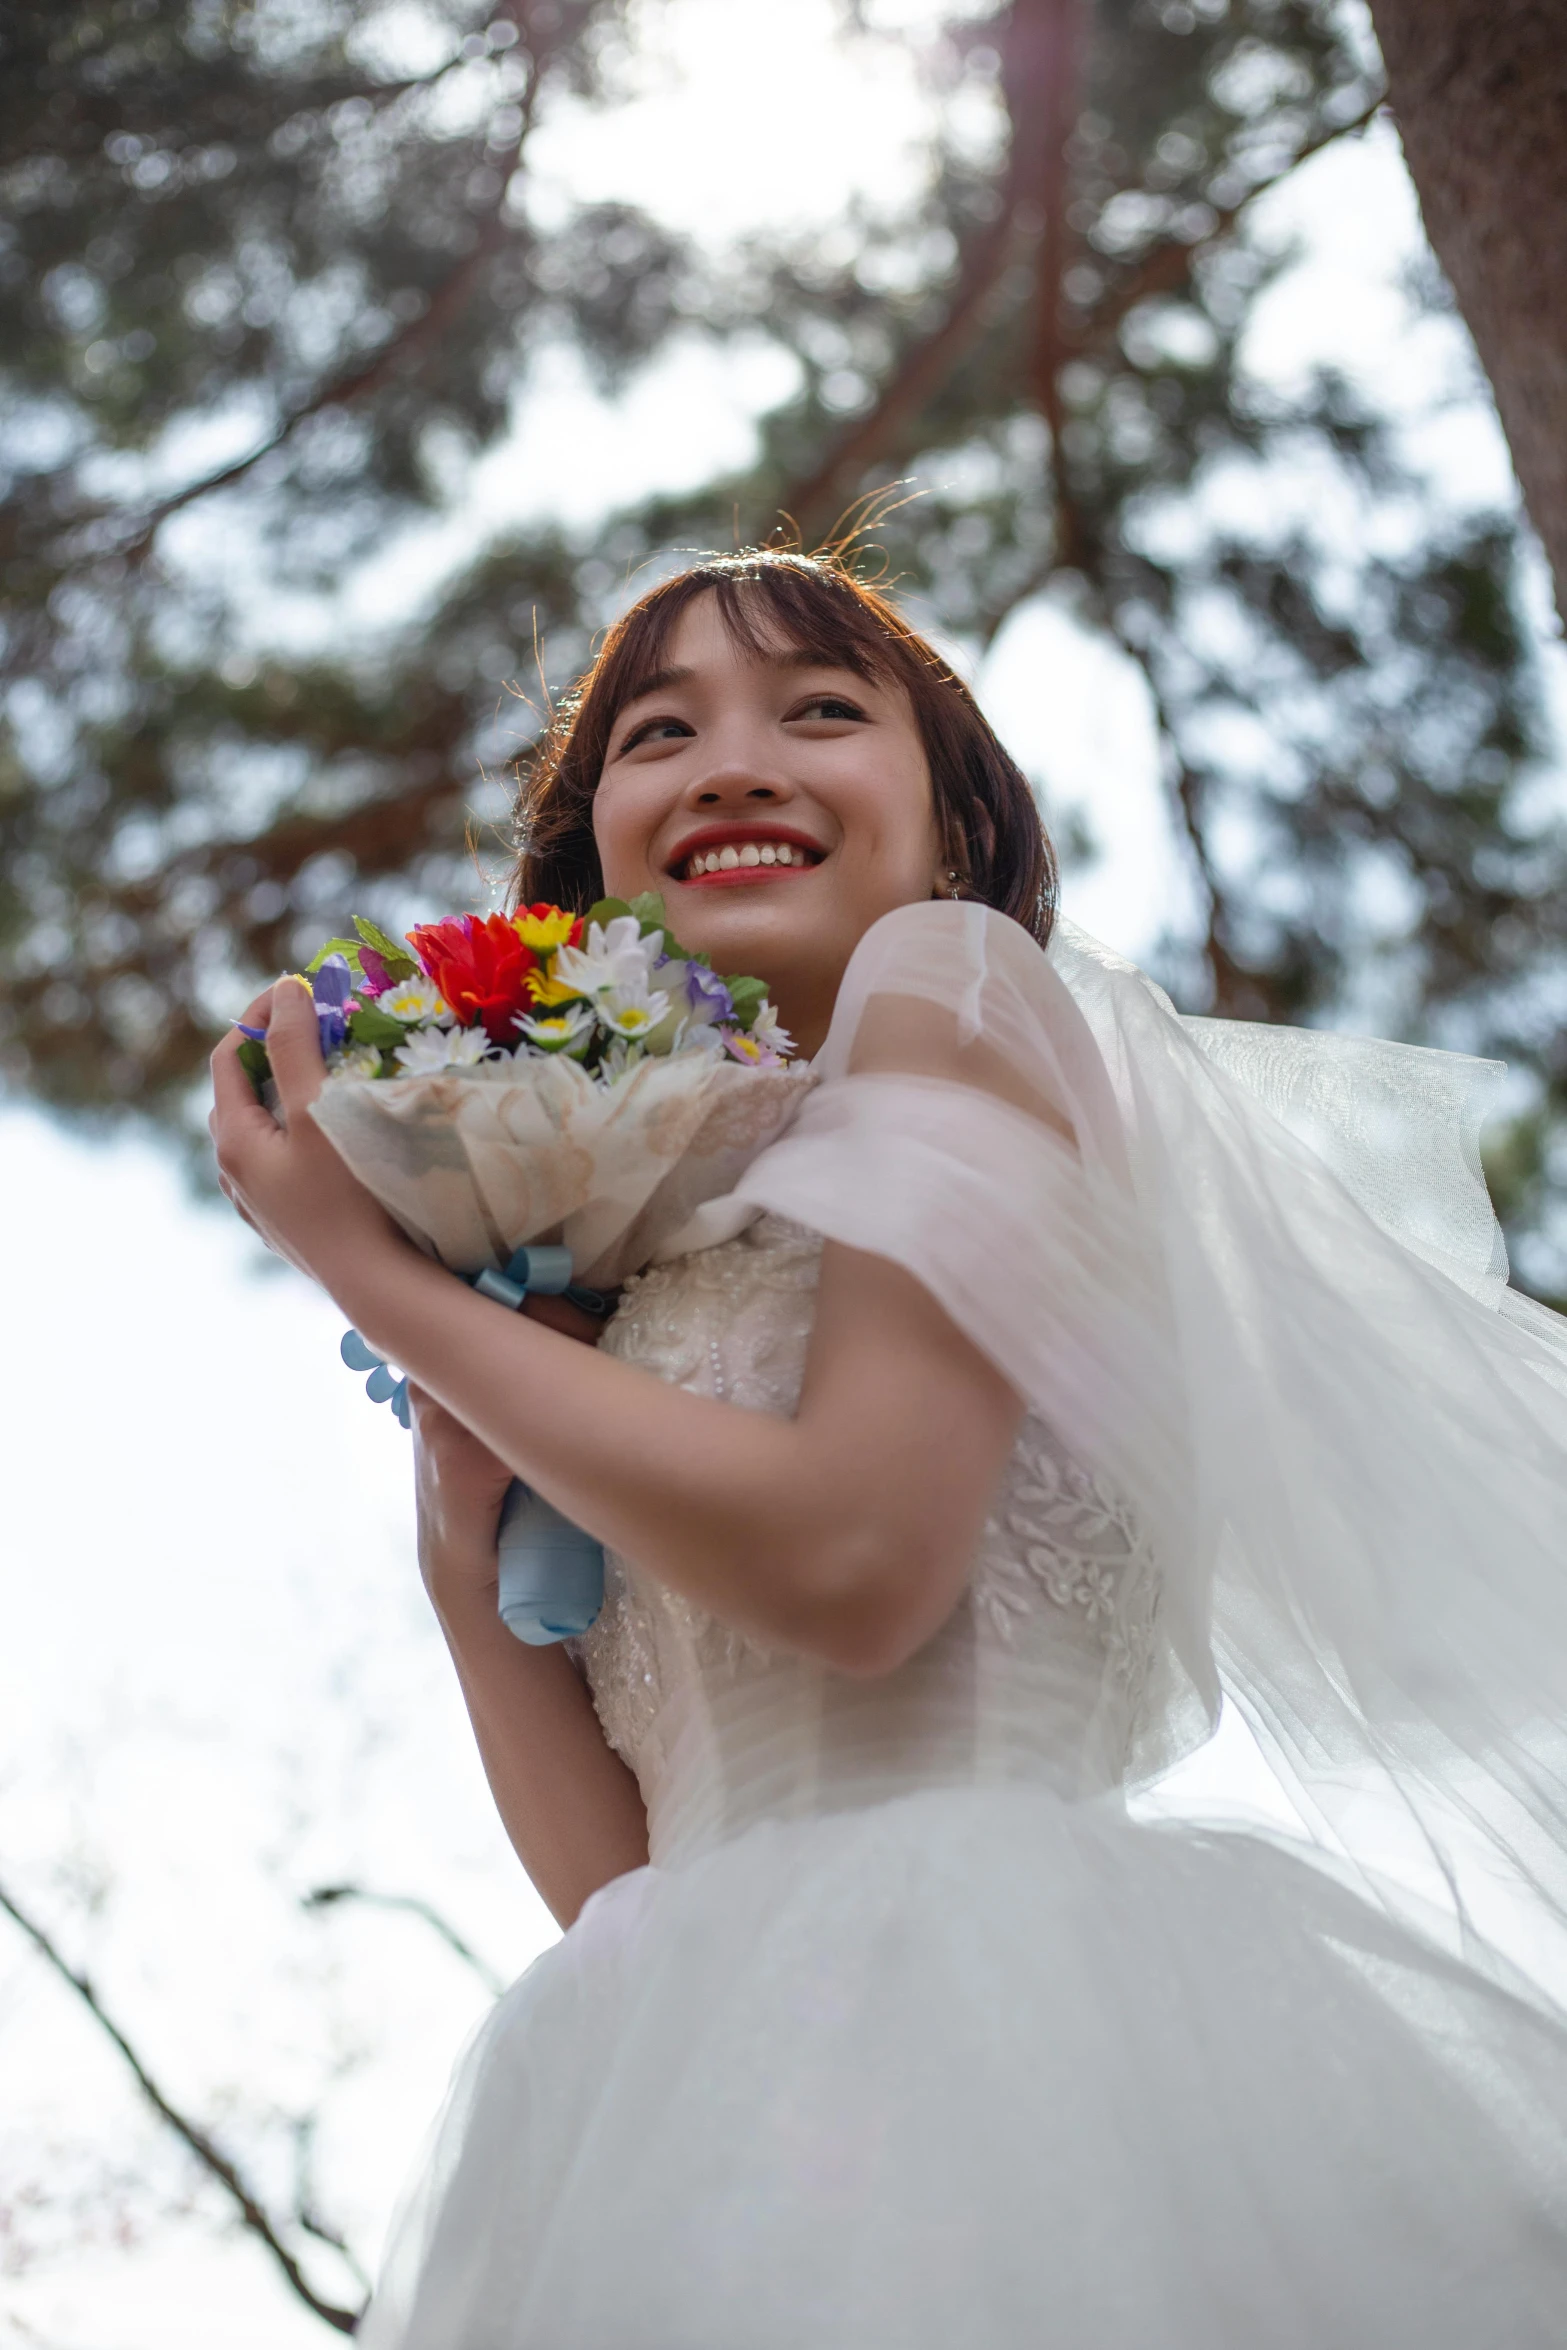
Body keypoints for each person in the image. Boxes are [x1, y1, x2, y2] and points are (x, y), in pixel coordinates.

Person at [211, 551, 1567, 2348]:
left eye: (821, 711)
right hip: (688, 2093)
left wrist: (361, 1269)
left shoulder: (959, 991)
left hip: (1020, 2029)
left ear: (948, 831)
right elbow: (629, 1884)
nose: (729, 761)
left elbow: (858, 1571)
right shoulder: (612, 1238)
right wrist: (465, 1555)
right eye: (658, 731)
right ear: (592, 856)